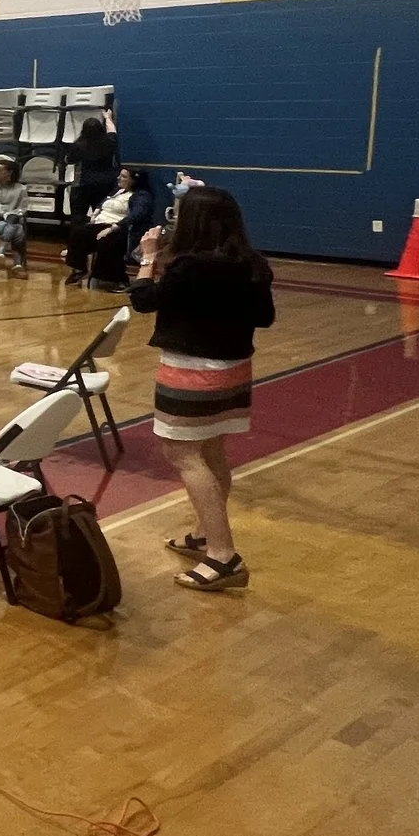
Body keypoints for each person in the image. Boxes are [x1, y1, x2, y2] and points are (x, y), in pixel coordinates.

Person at [130, 186, 274, 593]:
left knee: (183, 453)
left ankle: (223, 555)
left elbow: (143, 301)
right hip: (235, 371)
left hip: (191, 372)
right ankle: (202, 536)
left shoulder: (188, 266)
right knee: (212, 451)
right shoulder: (253, 263)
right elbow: (264, 317)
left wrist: (148, 258)